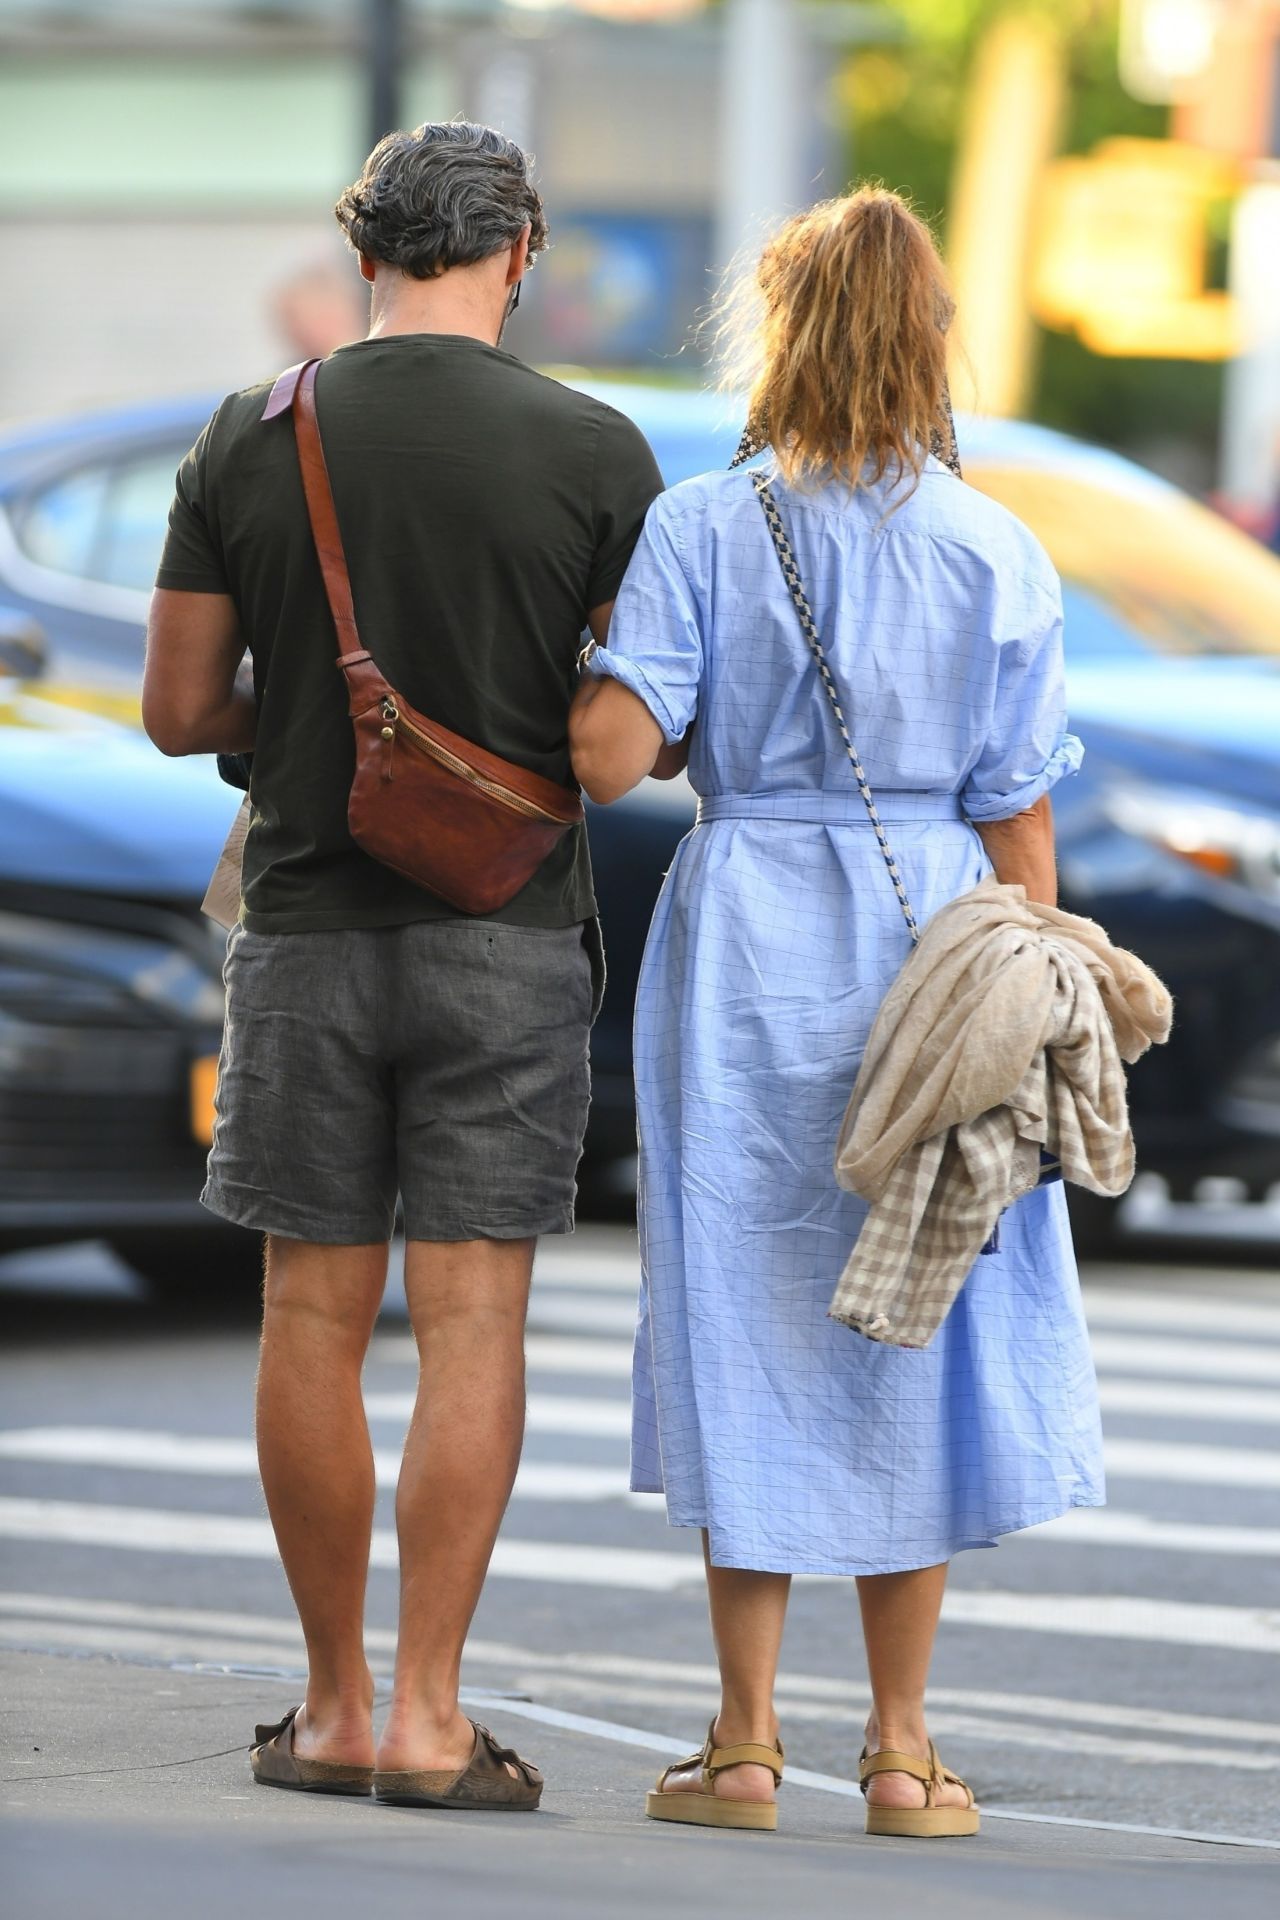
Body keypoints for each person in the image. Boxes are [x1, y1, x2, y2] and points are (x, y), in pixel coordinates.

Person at [569, 187, 1104, 1839]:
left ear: (774, 335)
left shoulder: (704, 525)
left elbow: (605, 758)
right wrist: (1044, 988)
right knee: (916, 1296)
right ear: (935, 340)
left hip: (743, 943)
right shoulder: (993, 547)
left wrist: (600, 658)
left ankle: (739, 1744)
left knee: (744, 1299)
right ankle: (901, 1746)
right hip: (933, 936)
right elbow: (1021, 819)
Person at [142, 120, 663, 1807]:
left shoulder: (251, 434)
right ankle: (438, 1716)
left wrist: (297, 730)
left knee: (311, 1312)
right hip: (506, 937)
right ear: (517, 254)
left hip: (304, 930)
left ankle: (339, 1705)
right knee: (472, 1324)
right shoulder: (596, 453)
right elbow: (619, 742)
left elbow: (173, 712)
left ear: (364, 253)